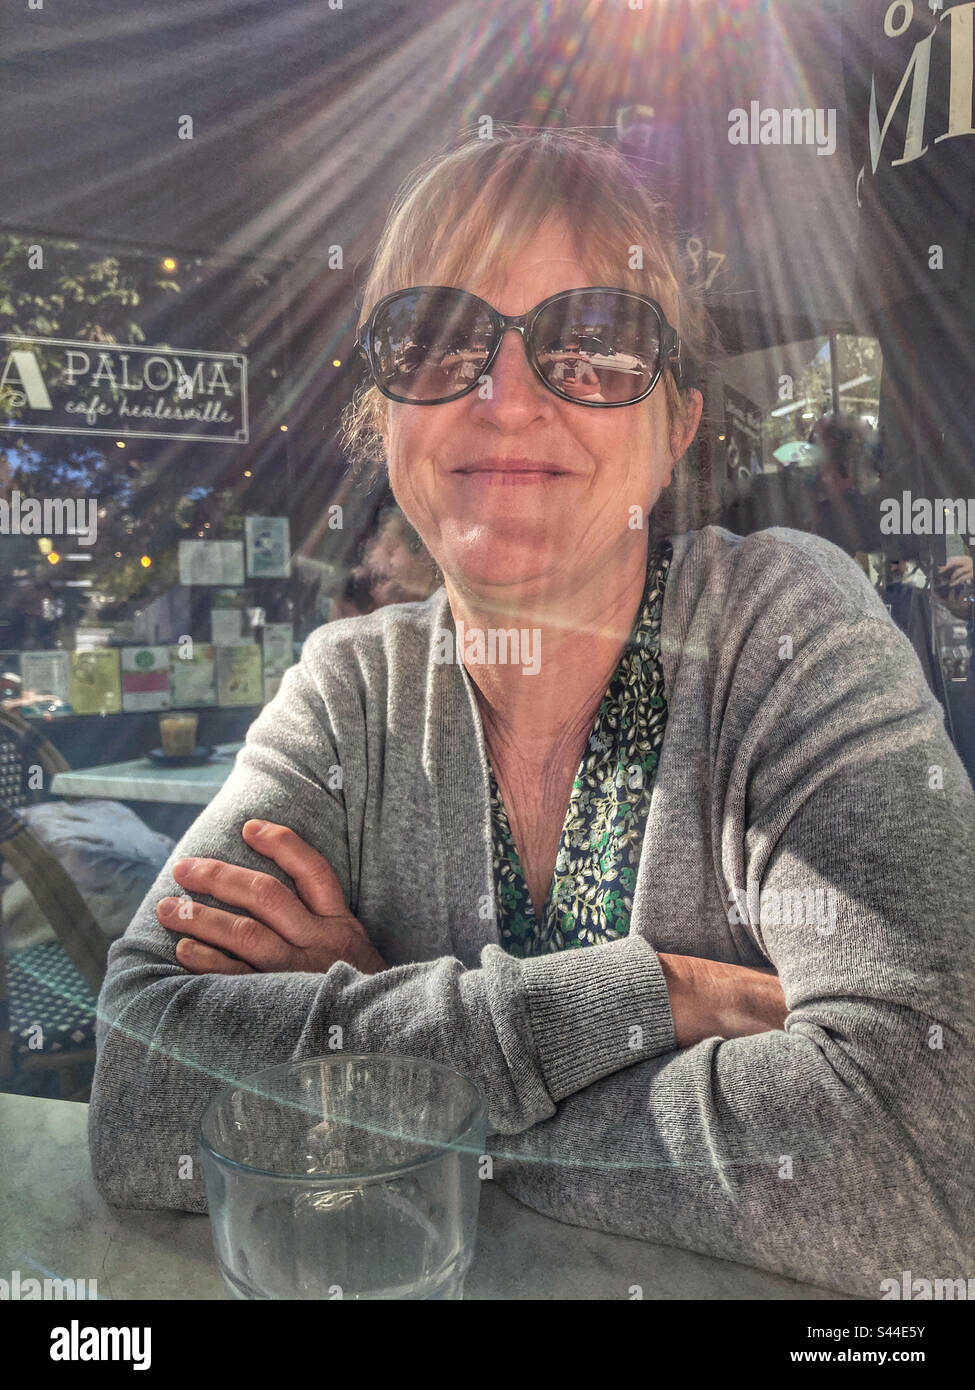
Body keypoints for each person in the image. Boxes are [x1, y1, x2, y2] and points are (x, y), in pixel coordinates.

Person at [88, 128, 974, 1299]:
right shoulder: (348, 688)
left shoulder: (786, 627)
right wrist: (655, 993)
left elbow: (929, 1156)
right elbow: (140, 1091)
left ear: (676, 431)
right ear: (384, 416)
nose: (507, 397)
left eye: (596, 345)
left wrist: (375, 1061)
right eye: (439, 338)